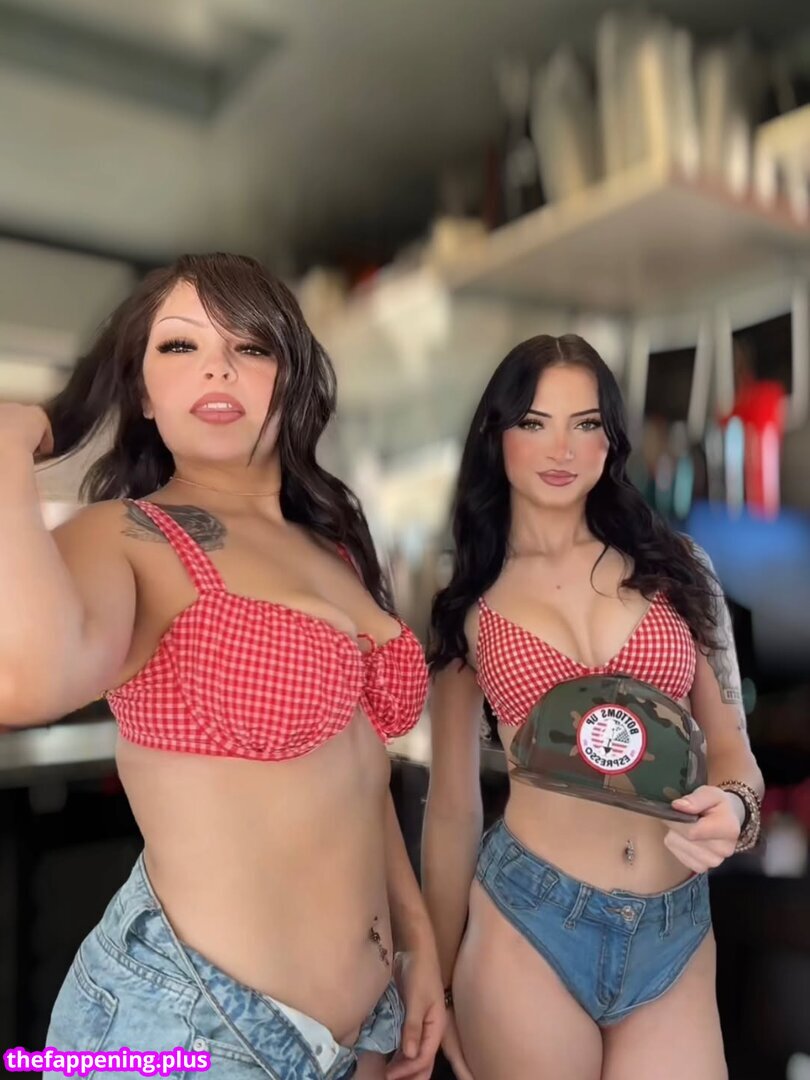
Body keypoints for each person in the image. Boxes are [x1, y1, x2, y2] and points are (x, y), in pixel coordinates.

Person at [0, 253, 444, 1080]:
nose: (217, 366)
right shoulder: (128, 536)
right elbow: (20, 681)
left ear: (291, 377)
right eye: (180, 346)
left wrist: (415, 943)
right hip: (196, 1035)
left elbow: (357, 771)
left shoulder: (332, 545)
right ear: (142, 391)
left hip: (364, 1034)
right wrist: (4, 450)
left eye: (251, 346)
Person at [422, 334, 764, 1080]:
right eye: (535, 422)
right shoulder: (467, 605)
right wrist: (435, 984)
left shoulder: (680, 570)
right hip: (528, 923)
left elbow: (734, 750)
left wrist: (736, 808)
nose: (563, 448)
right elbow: (450, 810)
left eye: (585, 423)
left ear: (611, 439)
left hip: (674, 927)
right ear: (496, 435)